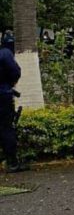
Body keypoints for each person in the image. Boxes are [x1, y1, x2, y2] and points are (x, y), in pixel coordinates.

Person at [0, 31, 26, 173]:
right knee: (6, 128)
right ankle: (12, 162)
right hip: (3, 96)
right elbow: (15, 72)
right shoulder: (5, 54)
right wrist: (9, 85)